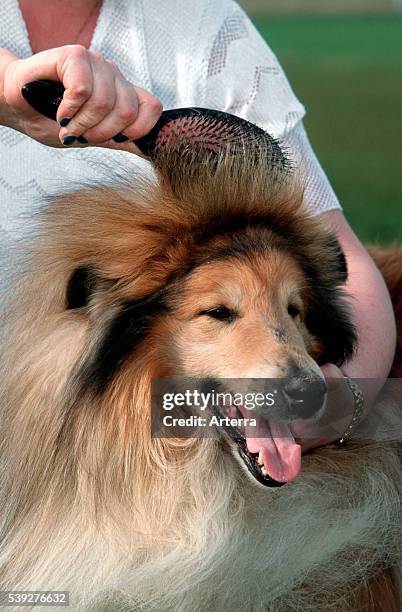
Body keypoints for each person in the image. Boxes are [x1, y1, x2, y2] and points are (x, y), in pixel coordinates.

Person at [0, 0, 396, 448]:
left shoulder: (203, 19)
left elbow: (341, 254)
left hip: (149, 441)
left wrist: (346, 401)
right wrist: (8, 85)